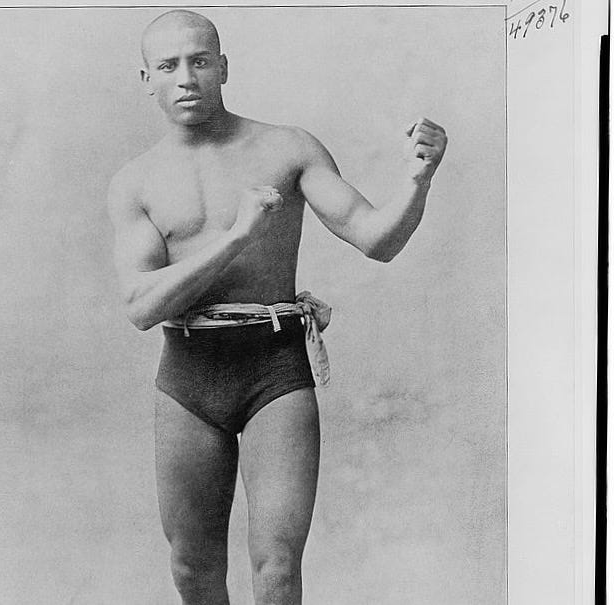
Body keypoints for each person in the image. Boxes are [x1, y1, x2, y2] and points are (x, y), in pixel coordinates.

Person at [107, 10, 447, 605]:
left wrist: (418, 180)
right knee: (192, 567)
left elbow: (377, 239)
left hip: (274, 368)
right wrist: (238, 237)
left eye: (200, 61)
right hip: (189, 374)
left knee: (277, 567)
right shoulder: (136, 182)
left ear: (223, 68)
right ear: (146, 79)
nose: (186, 77)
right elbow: (141, 306)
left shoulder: (288, 147)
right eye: (168, 66)